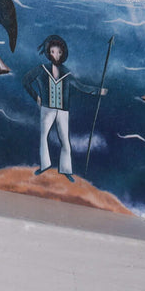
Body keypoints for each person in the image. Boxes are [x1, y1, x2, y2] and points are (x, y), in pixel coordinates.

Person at [23, 34, 105, 182]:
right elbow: (26, 81)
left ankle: (66, 170)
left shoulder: (66, 72)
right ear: (49, 52)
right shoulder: (41, 69)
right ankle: (44, 165)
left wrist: (98, 91)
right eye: (53, 51)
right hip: (46, 109)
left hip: (63, 110)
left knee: (65, 140)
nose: (56, 55)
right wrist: (36, 97)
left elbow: (80, 86)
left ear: (63, 53)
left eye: (59, 52)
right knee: (43, 137)